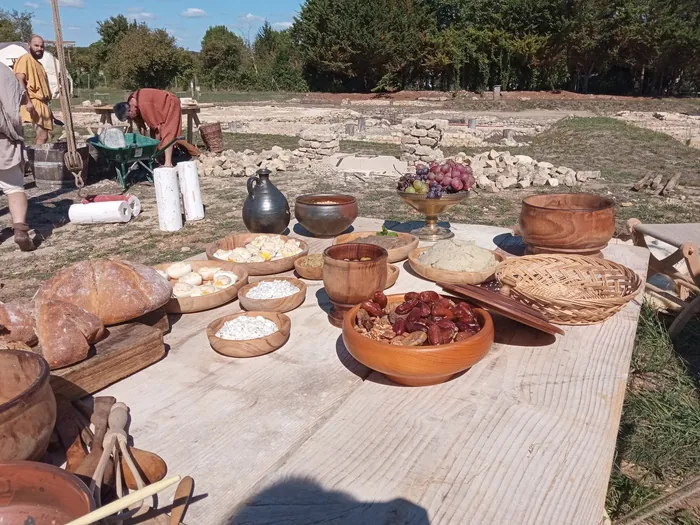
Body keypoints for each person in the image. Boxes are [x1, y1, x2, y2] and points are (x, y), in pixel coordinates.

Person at [114, 89, 200, 167]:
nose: (130, 119)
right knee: (155, 134)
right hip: (157, 107)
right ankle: (159, 158)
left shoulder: (144, 105)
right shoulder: (132, 103)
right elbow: (140, 125)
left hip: (170, 103)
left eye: (128, 117)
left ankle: (168, 163)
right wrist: (143, 143)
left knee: (167, 133)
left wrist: (154, 146)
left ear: (130, 110)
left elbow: (157, 129)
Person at [0, 63, 35, 251]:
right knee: (13, 187)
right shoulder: (3, 71)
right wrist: (15, 132)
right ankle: (20, 230)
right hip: (3, 140)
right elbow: (16, 102)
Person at [13, 35, 52, 145]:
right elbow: (19, 79)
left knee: (43, 135)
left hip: (42, 103)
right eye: (36, 45)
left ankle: (35, 155)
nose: (40, 48)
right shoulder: (25, 59)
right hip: (32, 101)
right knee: (41, 135)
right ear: (29, 44)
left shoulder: (39, 64)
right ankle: (34, 159)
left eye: (42, 46)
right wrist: (28, 101)